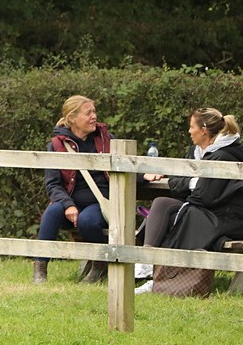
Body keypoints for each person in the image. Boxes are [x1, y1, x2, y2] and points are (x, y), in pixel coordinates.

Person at [136, 107, 243, 293]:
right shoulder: (195, 151)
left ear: (203, 130)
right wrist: (195, 182)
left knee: (188, 214)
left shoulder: (223, 155)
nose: (189, 131)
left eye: (191, 127)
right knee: (162, 203)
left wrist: (191, 184)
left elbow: (204, 197)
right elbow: (175, 181)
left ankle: (164, 276)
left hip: (227, 218)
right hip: (208, 210)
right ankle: (147, 260)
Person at [33, 95, 112, 284]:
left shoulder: (106, 139)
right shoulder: (56, 145)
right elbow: (53, 185)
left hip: (100, 202)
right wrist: (68, 205)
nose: (94, 116)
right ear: (72, 118)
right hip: (70, 202)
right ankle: (40, 267)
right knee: (52, 211)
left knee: (88, 221)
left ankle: (99, 266)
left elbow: (124, 166)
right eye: (88, 113)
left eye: (94, 111)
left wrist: (144, 176)